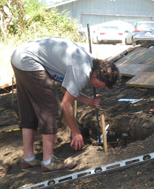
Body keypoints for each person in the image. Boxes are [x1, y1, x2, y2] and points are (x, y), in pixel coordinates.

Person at [11, 37, 120, 173]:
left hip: (20, 56)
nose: (94, 86)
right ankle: (49, 160)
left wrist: (87, 101)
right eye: (97, 84)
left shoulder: (89, 61)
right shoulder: (83, 70)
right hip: (29, 60)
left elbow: (65, 88)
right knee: (51, 108)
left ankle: (28, 158)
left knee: (29, 109)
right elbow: (66, 104)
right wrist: (75, 132)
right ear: (97, 74)